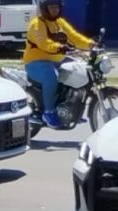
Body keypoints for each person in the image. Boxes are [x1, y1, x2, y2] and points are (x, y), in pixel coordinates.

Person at [22, 0, 93, 128]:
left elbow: (74, 36)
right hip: (36, 62)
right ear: (44, 8)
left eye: (57, 6)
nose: (55, 9)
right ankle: (49, 112)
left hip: (58, 61)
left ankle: (73, 107)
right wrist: (59, 47)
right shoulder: (37, 24)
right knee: (51, 76)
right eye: (51, 7)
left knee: (80, 69)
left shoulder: (59, 22)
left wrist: (90, 44)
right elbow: (44, 43)